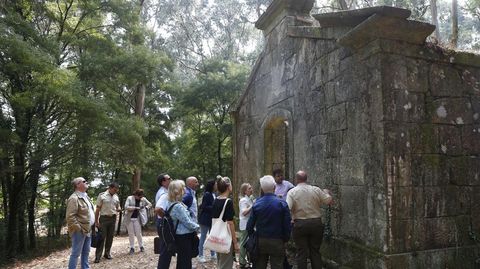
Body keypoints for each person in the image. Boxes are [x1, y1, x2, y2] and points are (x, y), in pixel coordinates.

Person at [286, 171, 333, 269]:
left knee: (301, 251)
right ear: (306, 179)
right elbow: (329, 201)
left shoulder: (292, 192)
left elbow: (287, 208)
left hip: (300, 224)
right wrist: (326, 192)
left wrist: (290, 219)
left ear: (297, 179)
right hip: (316, 223)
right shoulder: (315, 189)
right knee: (315, 250)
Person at [246, 176, 291, 269]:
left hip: (260, 240)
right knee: (277, 265)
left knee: (259, 266)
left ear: (262, 188)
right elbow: (287, 224)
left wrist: (253, 236)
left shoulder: (256, 204)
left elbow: (249, 226)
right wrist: (285, 239)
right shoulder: (282, 203)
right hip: (277, 240)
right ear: (274, 187)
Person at [166, 180, 200, 269]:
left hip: (180, 236)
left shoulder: (171, 203)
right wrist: (198, 227)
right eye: (183, 187)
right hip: (184, 237)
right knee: (185, 261)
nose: (185, 189)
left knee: (182, 260)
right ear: (177, 191)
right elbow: (187, 222)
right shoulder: (178, 206)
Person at [211, 177, 240, 269]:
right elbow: (230, 223)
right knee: (226, 265)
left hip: (216, 236)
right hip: (226, 237)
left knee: (220, 263)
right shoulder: (228, 202)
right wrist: (235, 242)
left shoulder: (215, 200)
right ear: (228, 187)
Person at [66, 177, 95, 269]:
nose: (86, 182)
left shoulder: (86, 196)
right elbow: (70, 217)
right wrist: (79, 229)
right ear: (78, 185)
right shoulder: (73, 198)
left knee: (86, 252)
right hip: (80, 230)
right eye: (84, 181)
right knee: (75, 254)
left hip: (88, 229)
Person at [94, 182, 121, 263]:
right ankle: (98, 256)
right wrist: (96, 221)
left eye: (117, 190)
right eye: (114, 189)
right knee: (102, 237)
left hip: (113, 218)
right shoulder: (102, 195)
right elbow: (98, 209)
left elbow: (118, 206)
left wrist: (119, 208)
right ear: (110, 188)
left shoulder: (116, 196)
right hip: (104, 219)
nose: (116, 191)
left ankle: (107, 253)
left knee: (110, 237)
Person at [124, 188, 152, 254]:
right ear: (135, 194)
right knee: (131, 234)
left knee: (138, 233)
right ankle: (132, 247)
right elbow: (126, 207)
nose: (140, 198)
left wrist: (145, 208)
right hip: (129, 218)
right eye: (139, 196)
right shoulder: (130, 198)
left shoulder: (143, 199)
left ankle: (141, 246)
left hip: (137, 218)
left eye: (141, 196)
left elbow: (150, 204)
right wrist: (135, 208)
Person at [155, 173, 172, 269]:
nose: (171, 180)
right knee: (166, 249)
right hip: (163, 223)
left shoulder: (165, 191)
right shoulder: (164, 194)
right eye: (169, 178)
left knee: (165, 248)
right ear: (163, 182)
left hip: (161, 222)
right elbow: (158, 209)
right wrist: (166, 218)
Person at [197, 179, 217, 263]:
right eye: (215, 184)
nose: (217, 186)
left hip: (212, 219)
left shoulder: (214, 194)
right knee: (203, 237)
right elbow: (204, 206)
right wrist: (215, 207)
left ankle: (213, 254)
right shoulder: (207, 194)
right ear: (212, 186)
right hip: (205, 219)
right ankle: (200, 255)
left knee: (212, 236)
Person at [239, 183, 254, 269]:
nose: (251, 189)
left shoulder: (249, 199)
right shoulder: (243, 200)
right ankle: (242, 262)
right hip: (245, 224)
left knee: (248, 243)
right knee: (243, 243)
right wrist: (252, 205)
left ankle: (248, 260)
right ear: (245, 191)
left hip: (249, 224)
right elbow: (244, 213)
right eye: (249, 188)